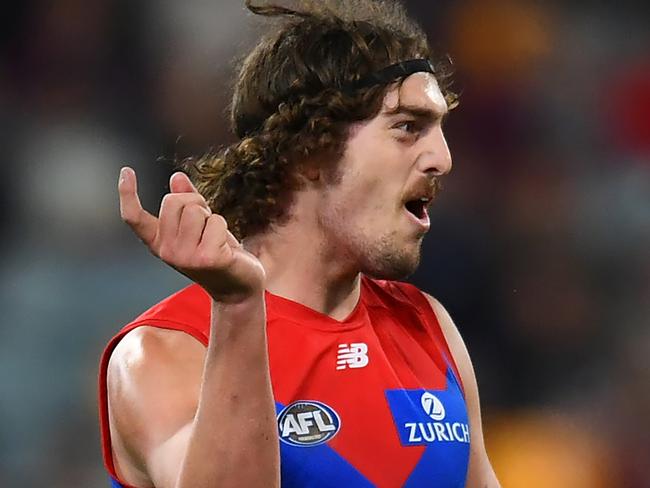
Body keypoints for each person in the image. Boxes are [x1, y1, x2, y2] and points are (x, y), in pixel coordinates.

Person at [98, 1, 501, 487]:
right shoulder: (164, 351)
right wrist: (238, 306)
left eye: (438, 130)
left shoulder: (427, 326)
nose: (443, 158)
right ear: (307, 152)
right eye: (407, 128)